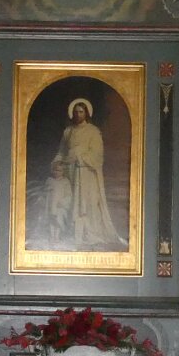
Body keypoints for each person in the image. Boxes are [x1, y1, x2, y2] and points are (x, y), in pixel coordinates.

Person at [48, 98, 123, 249]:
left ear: (86, 113)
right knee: (69, 202)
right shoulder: (68, 131)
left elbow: (97, 156)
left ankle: (86, 234)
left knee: (85, 204)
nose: (78, 114)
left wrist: (79, 157)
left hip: (85, 174)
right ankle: (70, 234)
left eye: (81, 112)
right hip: (69, 173)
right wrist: (56, 162)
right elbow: (61, 152)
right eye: (76, 112)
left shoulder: (93, 132)